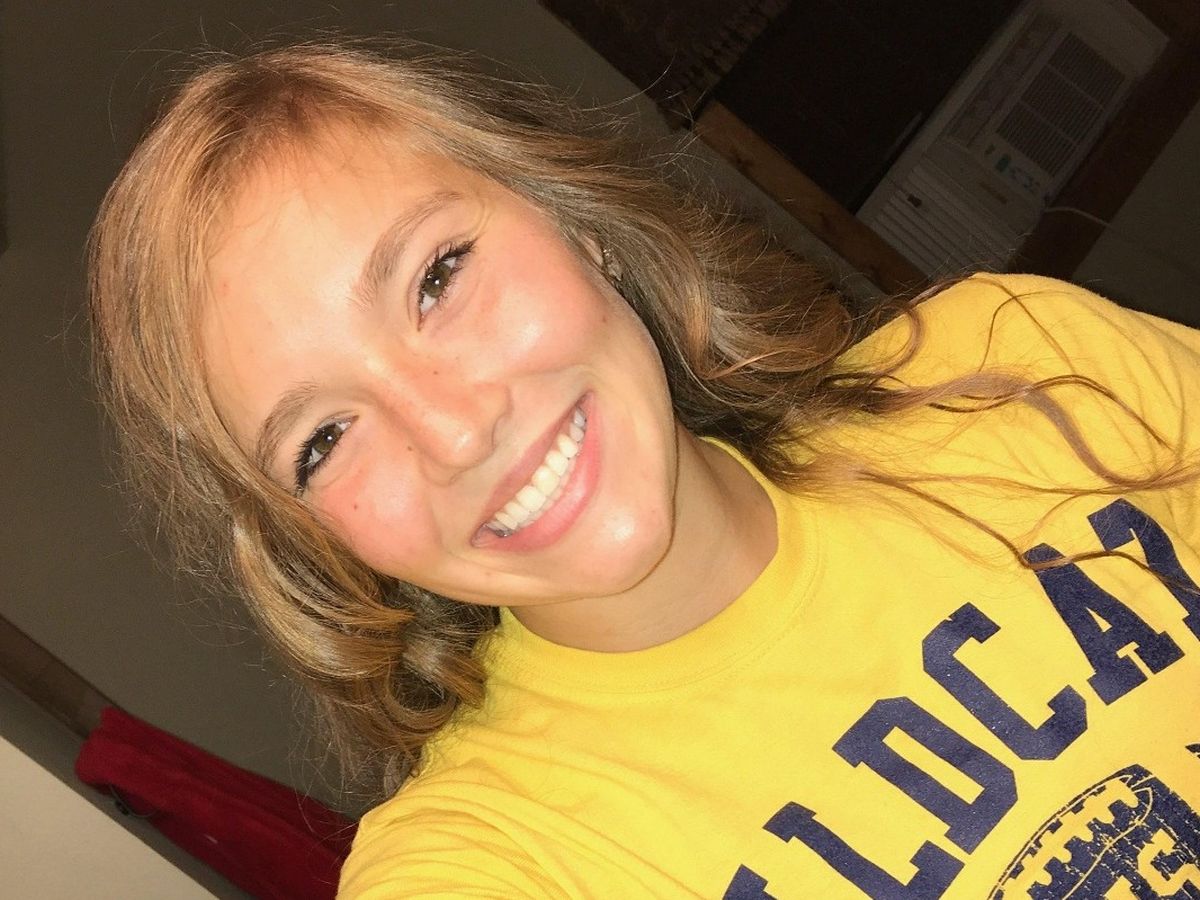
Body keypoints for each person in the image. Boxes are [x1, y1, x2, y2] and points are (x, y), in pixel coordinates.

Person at [89, 43, 1200, 899]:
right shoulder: (491, 860)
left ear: (576, 223)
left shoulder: (1017, 362)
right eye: (324, 439)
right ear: (311, 537)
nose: (454, 431)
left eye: (437, 277)